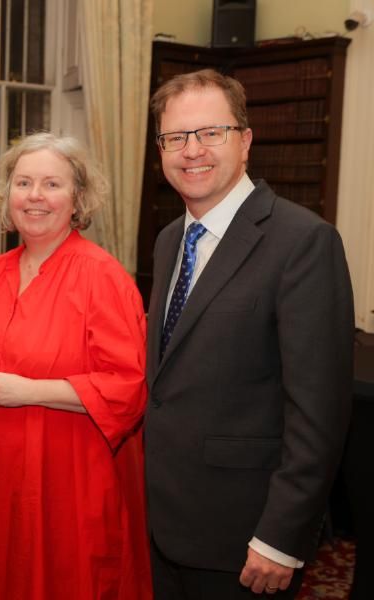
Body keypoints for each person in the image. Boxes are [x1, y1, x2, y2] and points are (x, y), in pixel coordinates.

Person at [144, 68, 354, 599]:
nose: (192, 151)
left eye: (210, 132)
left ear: (245, 141)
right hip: (164, 524)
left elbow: (318, 410)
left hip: (245, 538)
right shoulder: (170, 240)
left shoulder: (303, 242)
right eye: (175, 137)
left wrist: (281, 537)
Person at [0, 132, 152, 599]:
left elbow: (127, 389)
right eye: (23, 182)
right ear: (6, 194)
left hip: (65, 482)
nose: (35, 196)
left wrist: (28, 390)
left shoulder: (103, 278)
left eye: (52, 184)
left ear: (78, 199)